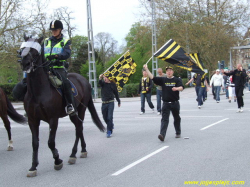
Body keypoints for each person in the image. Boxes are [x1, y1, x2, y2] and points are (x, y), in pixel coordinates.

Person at [143, 64, 184, 142]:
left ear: (173, 72)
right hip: (166, 103)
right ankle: (162, 135)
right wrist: (147, 69)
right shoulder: (163, 80)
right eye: (167, 71)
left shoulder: (176, 79)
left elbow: (182, 87)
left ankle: (178, 132)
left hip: (175, 103)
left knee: (176, 118)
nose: (169, 72)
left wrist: (177, 88)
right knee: (164, 119)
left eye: (170, 70)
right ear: (166, 72)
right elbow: (152, 77)